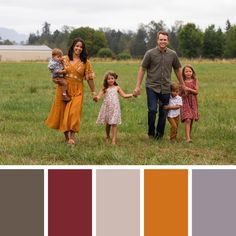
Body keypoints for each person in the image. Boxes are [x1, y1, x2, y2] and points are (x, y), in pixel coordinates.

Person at [133, 30, 185, 140]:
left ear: (168, 41)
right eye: (161, 39)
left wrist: (182, 84)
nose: (163, 41)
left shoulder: (172, 54)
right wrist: (137, 86)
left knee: (164, 111)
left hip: (166, 87)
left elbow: (177, 69)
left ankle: (159, 135)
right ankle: (151, 134)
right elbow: (142, 69)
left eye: (165, 40)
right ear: (157, 40)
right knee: (152, 110)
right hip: (152, 86)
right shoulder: (150, 53)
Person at [45, 38, 97, 145]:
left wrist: (93, 92)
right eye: (77, 46)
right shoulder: (63, 59)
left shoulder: (86, 62)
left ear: (83, 49)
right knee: (63, 112)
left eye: (81, 47)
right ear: (73, 46)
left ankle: (72, 137)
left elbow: (89, 78)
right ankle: (66, 137)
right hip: (64, 88)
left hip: (78, 89)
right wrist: (55, 79)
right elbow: (53, 69)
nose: (78, 48)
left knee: (74, 112)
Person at [95, 71, 133, 145]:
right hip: (107, 108)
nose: (110, 80)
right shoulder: (104, 88)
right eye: (108, 79)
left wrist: (132, 94)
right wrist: (96, 98)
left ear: (115, 79)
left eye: (112, 78)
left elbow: (124, 95)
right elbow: (99, 96)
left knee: (114, 123)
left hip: (115, 108)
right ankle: (107, 136)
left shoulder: (117, 87)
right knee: (108, 123)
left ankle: (114, 140)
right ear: (106, 80)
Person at [180, 64, 199, 142]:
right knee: (187, 119)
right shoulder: (182, 82)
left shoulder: (195, 80)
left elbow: (196, 92)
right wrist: (183, 92)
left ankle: (188, 136)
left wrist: (188, 89)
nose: (188, 73)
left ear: (192, 72)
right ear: (183, 73)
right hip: (185, 101)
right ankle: (187, 138)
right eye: (186, 71)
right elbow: (179, 93)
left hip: (193, 101)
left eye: (190, 71)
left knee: (191, 119)